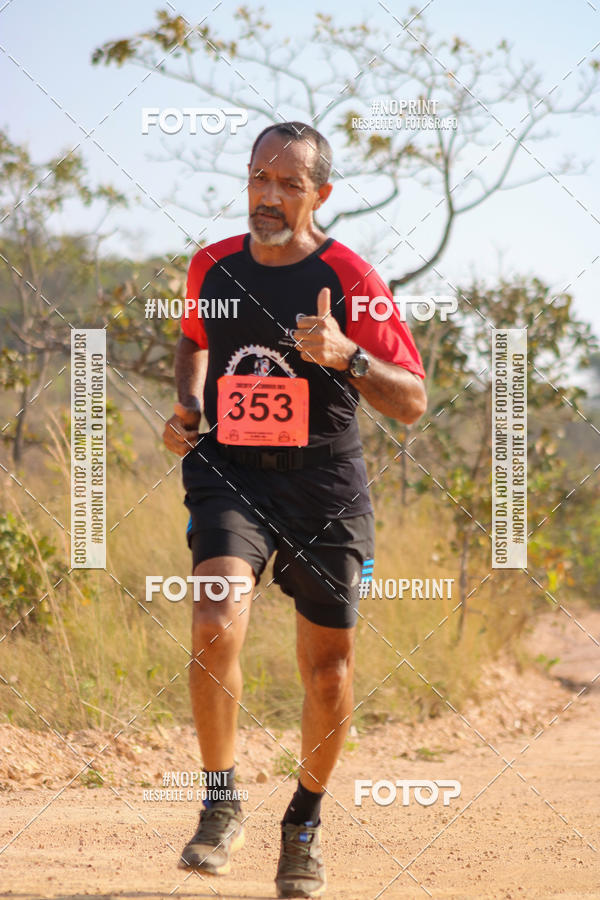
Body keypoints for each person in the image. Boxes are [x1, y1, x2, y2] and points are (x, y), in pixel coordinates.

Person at [162, 120, 427, 899]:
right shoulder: (211, 265)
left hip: (324, 485)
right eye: (258, 179)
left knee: (330, 673)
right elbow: (192, 340)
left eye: (288, 184)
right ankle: (219, 803)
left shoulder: (350, 275)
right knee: (213, 620)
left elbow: (411, 403)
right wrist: (186, 404)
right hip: (232, 471)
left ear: (321, 195)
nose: (268, 198)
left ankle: (302, 823)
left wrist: (346, 354)